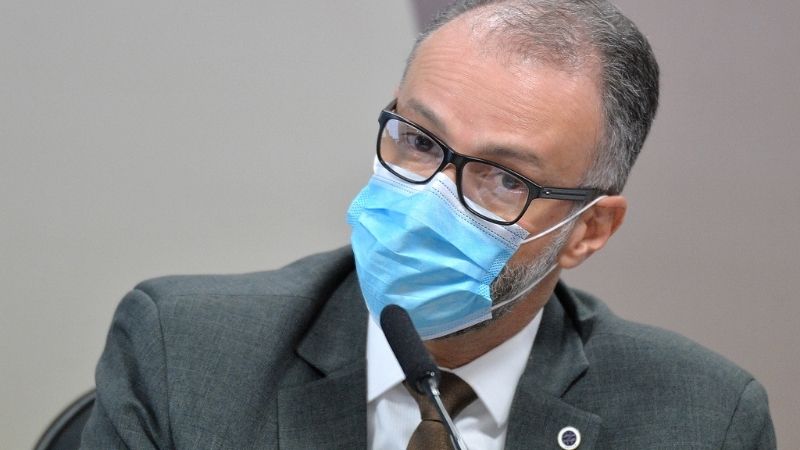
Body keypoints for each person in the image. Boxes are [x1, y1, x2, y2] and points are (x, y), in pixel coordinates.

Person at [81, 1, 775, 449]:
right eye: (418, 141)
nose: (428, 201)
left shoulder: (702, 419)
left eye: (504, 178)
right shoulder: (183, 352)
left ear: (588, 231)